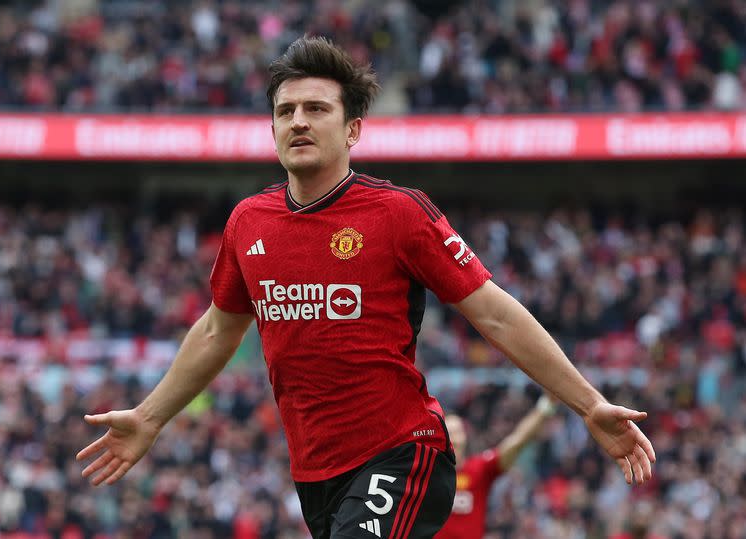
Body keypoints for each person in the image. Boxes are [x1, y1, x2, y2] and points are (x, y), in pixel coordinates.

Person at [76, 36, 655, 539]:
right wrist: (150, 418)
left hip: (404, 453)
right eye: (285, 110)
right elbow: (215, 331)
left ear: (353, 128)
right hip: (315, 475)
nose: (298, 120)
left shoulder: (398, 214)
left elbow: (495, 314)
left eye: (316, 108)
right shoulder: (247, 223)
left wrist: (588, 404)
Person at [435, 394, 559, 539]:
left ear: (465, 436)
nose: (453, 438)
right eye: (448, 433)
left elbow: (517, 441)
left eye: (457, 432)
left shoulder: (479, 468)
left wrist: (545, 406)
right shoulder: (427, 472)